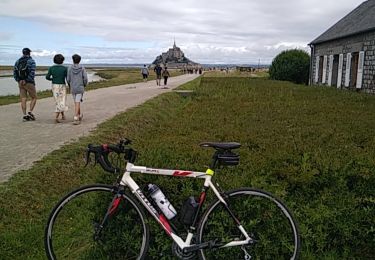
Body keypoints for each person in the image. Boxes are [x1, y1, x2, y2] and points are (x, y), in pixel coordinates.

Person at [13, 48, 37, 122]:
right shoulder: (31, 61)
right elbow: (32, 73)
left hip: (20, 83)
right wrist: (26, 80)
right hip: (29, 82)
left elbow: (14, 73)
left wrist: (19, 80)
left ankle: (24, 115)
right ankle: (30, 112)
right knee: (34, 97)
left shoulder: (17, 61)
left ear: (23, 53)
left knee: (23, 98)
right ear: (29, 53)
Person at [46, 54, 68, 123]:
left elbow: (47, 77)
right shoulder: (65, 68)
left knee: (58, 101)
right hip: (62, 85)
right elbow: (67, 78)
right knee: (62, 101)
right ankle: (56, 117)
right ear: (62, 61)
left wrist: (52, 79)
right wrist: (70, 85)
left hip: (54, 85)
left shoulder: (51, 68)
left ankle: (63, 115)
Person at [67, 54, 88, 125]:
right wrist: (84, 85)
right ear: (79, 60)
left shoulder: (69, 68)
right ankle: (76, 117)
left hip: (73, 87)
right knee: (77, 102)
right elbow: (85, 78)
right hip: (80, 87)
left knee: (76, 102)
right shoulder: (82, 68)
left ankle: (79, 115)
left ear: (73, 60)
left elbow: (68, 79)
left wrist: (70, 85)